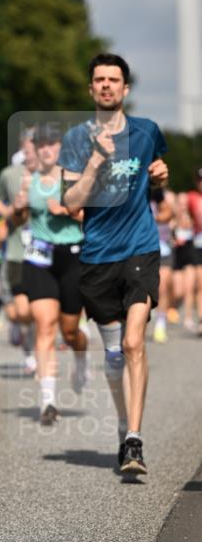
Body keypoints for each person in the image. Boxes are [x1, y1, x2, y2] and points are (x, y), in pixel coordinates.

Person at [59, 54, 168, 476]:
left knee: (134, 343)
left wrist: (160, 175)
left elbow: (157, 174)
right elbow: (70, 203)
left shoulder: (147, 132)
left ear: (125, 89)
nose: (106, 86)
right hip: (97, 256)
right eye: (100, 80)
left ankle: (134, 440)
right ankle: (124, 425)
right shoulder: (75, 139)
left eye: (114, 79)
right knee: (113, 354)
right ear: (91, 89)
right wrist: (95, 160)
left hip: (140, 249)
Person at [12, 124, 87, 424]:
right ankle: (48, 401)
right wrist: (17, 210)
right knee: (45, 326)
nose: (46, 149)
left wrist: (67, 210)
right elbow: (15, 221)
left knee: (69, 331)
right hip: (39, 258)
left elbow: (89, 215)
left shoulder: (72, 178)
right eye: (40, 144)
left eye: (51, 144)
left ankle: (80, 359)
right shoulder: (28, 181)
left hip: (71, 256)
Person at [0, 132, 39, 371]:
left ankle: (31, 354)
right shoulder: (10, 174)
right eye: (29, 147)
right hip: (16, 251)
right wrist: (8, 213)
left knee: (37, 310)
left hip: (43, 254)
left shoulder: (53, 175)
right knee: (18, 311)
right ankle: (15, 324)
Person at [150, 188, 174, 344]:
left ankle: (160, 323)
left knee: (163, 286)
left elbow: (169, 214)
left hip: (162, 246)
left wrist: (153, 219)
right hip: (143, 248)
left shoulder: (162, 195)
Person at [172, 190, 197, 332]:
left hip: (190, 256)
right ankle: (173, 306)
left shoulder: (192, 218)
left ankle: (188, 318)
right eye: (180, 203)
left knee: (189, 288)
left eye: (184, 203)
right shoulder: (173, 219)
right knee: (178, 291)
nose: (182, 205)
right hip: (177, 257)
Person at [187, 167, 202, 336]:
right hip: (198, 244)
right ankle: (201, 319)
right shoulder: (191, 197)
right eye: (199, 180)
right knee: (200, 283)